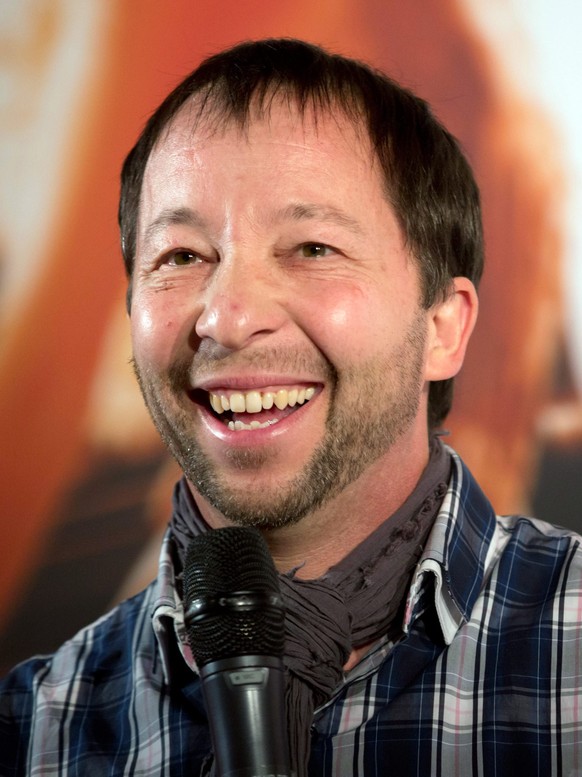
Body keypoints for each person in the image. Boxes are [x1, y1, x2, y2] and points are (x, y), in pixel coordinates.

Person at [1, 37, 581, 777]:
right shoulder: (33, 731)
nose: (229, 317)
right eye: (181, 255)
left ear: (444, 327)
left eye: (311, 248)